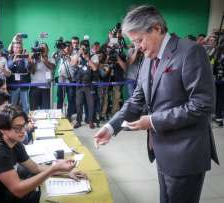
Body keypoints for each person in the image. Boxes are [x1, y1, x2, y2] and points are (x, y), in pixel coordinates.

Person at [94, 5, 219, 203]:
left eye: (139, 40)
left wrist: (152, 121)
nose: (138, 47)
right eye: (134, 43)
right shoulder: (147, 60)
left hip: (185, 152)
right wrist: (111, 127)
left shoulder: (190, 52)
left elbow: (202, 105)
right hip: (162, 150)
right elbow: (136, 100)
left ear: (157, 28)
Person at [0, 104, 86, 203]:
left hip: (10, 194)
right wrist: (54, 169)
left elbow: (35, 168)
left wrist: (65, 172)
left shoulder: (15, 142)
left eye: (23, 126)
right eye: (17, 128)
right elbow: (18, 190)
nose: (23, 131)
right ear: (2, 130)